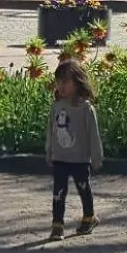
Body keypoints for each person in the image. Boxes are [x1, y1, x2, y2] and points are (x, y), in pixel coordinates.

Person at [46, 58, 103, 240]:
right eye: (58, 81)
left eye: (66, 82)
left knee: (83, 188)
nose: (61, 86)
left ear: (77, 82)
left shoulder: (86, 109)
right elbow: (51, 130)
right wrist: (49, 150)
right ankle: (57, 225)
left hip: (79, 159)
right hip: (60, 158)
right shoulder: (56, 106)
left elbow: (93, 134)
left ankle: (89, 217)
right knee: (58, 193)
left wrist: (96, 157)